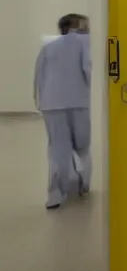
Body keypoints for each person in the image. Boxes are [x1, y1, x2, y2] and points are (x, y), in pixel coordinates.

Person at [34, 13, 92, 210]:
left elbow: (38, 76)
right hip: (78, 102)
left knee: (58, 150)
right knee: (82, 146)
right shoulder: (84, 42)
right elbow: (88, 69)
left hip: (51, 104)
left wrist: (40, 102)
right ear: (75, 26)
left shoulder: (48, 47)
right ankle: (83, 184)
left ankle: (55, 195)